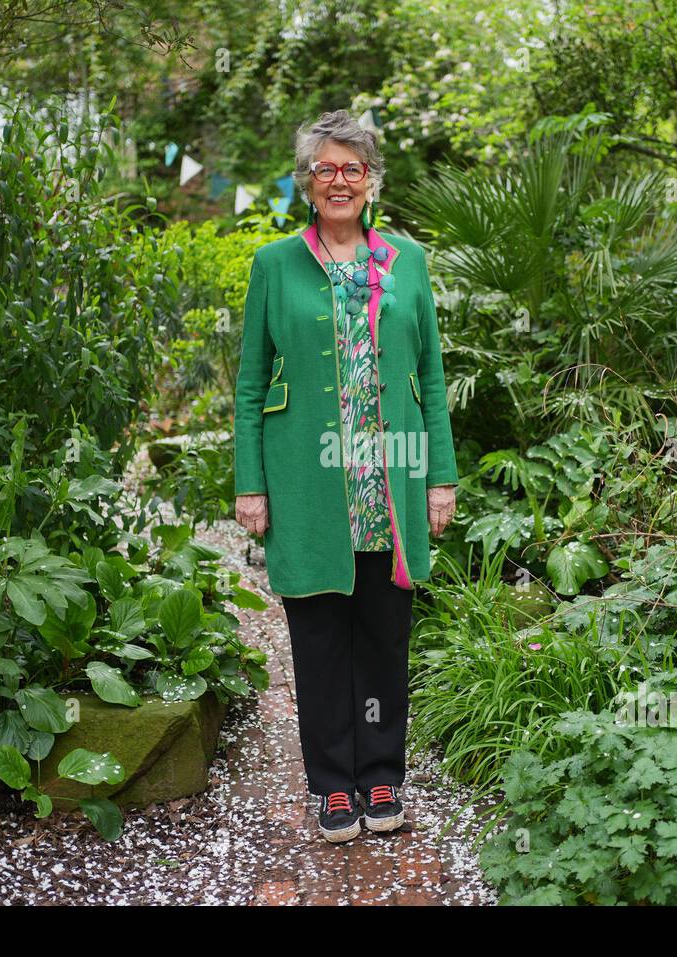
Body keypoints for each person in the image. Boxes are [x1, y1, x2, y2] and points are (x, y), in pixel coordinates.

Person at [232, 109, 458, 843]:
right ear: (306, 182)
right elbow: (248, 384)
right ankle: (333, 786)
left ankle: (382, 775)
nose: (338, 181)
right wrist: (251, 482)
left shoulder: (408, 262)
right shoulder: (275, 264)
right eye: (325, 169)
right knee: (321, 637)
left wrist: (440, 479)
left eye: (351, 169)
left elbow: (428, 372)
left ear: (371, 183)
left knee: (384, 637)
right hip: (307, 480)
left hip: (389, 484)